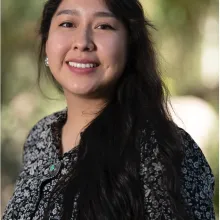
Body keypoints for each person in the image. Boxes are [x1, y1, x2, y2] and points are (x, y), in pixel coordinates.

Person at [3, 0, 215, 219]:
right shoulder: (40, 135)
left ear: (130, 45)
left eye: (103, 26)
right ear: (46, 40)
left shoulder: (166, 151)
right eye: (67, 23)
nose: (82, 42)